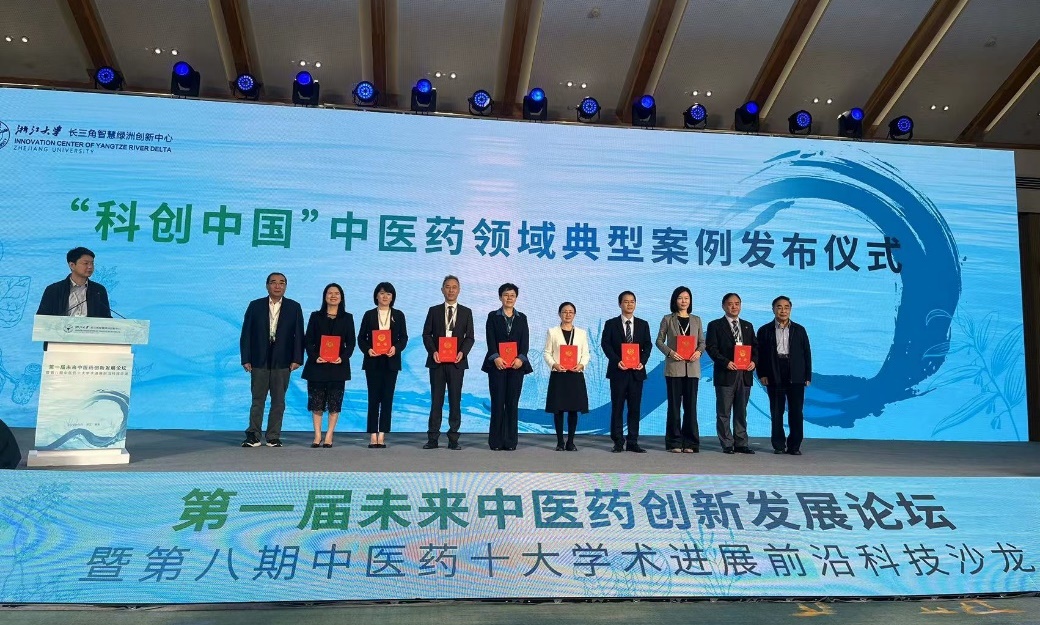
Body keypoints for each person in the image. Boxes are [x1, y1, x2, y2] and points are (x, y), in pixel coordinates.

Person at [240, 272, 304, 448]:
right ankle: (253, 435)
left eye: (281, 283)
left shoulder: (294, 307)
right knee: (257, 400)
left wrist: (297, 358)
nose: (277, 286)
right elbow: (246, 333)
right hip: (258, 360)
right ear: (267, 285)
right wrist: (246, 358)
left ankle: (273, 436)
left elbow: (299, 335)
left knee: (278, 401)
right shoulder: (255, 306)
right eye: (273, 282)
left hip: (283, 361)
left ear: (285, 286)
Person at [421, 275, 475, 450]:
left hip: (456, 363)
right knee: (436, 400)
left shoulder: (466, 312)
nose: (451, 290)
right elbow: (426, 334)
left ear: (459, 290)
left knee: (455, 400)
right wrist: (433, 352)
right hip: (437, 362)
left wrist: (462, 352)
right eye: (447, 287)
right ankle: (432, 438)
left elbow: (470, 337)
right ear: (442, 289)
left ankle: (453, 438)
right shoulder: (434, 310)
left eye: (454, 287)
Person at [301, 283, 356, 448]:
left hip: (338, 367)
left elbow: (351, 343)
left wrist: (342, 357)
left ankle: (329, 435)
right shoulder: (315, 316)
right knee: (316, 403)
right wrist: (315, 356)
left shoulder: (348, 318)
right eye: (330, 293)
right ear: (325, 296)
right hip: (317, 366)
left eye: (336, 293)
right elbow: (308, 340)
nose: (333, 296)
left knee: (334, 403)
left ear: (341, 297)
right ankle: (317, 435)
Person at [756, 296, 812, 455]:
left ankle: (794, 446)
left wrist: (807, 375)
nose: (783, 310)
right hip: (774, 372)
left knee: (796, 411)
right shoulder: (764, 330)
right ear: (773, 309)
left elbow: (806, 353)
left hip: (796, 373)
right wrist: (762, 374)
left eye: (786, 307)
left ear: (790, 309)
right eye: (779, 307)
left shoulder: (799, 330)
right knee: (776, 411)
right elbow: (759, 355)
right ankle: (779, 445)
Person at [705, 293, 758, 455]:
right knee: (724, 411)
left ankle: (741, 443)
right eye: (730, 304)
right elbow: (711, 348)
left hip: (745, 374)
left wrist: (754, 362)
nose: (734, 307)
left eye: (737, 303)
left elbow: (755, 348)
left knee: (741, 411)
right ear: (723, 306)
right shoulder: (715, 325)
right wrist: (726, 362)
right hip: (725, 373)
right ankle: (727, 443)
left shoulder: (748, 326)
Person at [481, 283, 532, 451]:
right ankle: (495, 442)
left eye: (512, 295)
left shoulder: (522, 317)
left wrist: (521, 359)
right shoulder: (492, 316)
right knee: (497, 403)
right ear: (500, 297)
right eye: (506, 295)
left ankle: (510, 442)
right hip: (497, 365)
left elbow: (525, 341)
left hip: (516, 367)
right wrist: (496, 357)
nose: (509, 298)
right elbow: (490, 339)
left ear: (516, 298)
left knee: (512, 403)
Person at [655, 286, 705, 453]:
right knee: (674, 407)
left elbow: (702, 342)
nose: (683, 301)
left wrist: (699, 352)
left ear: (690, 301)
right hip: (674, 368)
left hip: (692, 368)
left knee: (691, 407)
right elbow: (659, 341)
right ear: (674, 300)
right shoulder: (668, 319)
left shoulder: (696, 320)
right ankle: (674, 442)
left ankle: (691, 443)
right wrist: (670, 352)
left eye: (686, 298)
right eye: (680, 298)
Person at [600, 291, 652, 453]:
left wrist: (642, 362)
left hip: (636, 372)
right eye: (626, 301)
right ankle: (617, 441)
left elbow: (648, 345)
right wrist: (617, 361)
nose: (629, 304)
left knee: (635, 408)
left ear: (635, 304)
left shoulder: (643, 324)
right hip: (618, 371)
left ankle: (633, 441)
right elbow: (606, 344)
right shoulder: (611, 324)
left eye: (632, 301)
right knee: (617, 407)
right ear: (620, 304)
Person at [357, 282, 407, 449]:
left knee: (387, 398)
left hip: (391, 362)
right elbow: (361, 338)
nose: (385, 296)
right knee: (373, 398)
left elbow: (403, 338)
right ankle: (373, 434)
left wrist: (396, 348)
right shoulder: (369, 314)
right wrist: (368, 350)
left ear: (392, 297)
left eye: (388, 294)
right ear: (376, 296)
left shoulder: (398, 315)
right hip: (373, 362)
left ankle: (382, 434)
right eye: (382, 293)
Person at [543, 302, 590, 451]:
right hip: (559, 374)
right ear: (559, 314)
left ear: (574, 314)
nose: (568, 314)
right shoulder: (552, 332)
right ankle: (559, 442)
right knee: (558, 409)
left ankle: (571, 441)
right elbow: (547, 353)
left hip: (575, 375)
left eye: (571, 312)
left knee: (573, 409)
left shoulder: (581, 333)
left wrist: (582, 364)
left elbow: (586, 354)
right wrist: (554, 364)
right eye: (564, 311)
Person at [37, 247, 111, 318]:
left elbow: (106, 318)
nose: (90, 267)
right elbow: (42, 318)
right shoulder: (53, 290)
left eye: (92, 263)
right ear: (72, 265)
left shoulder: (98, 290)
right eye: (86, 263)